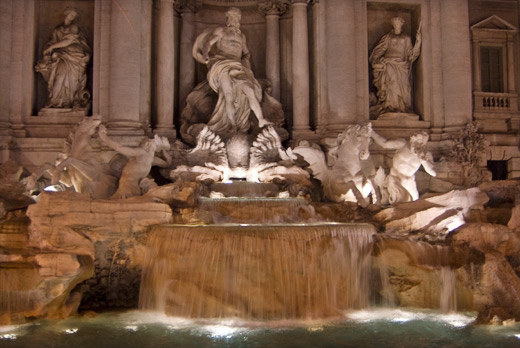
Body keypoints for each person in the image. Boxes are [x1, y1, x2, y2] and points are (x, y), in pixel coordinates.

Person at [192, 7, 272, 135]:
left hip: (238, 66)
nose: (234, 20)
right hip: (222, 64)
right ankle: (233, 125)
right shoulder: (221, 31)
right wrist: (206, 54)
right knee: (228, 95)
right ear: (227, 18)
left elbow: (246, 53)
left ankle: (261, 119)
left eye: (237, 17)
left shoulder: (241, 36)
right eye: (232, 17)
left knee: (249, 90)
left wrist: (246, 61)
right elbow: (208, 43)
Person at [35, 7, 91, 109]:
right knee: (59, 77)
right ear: (66, 14)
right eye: (71, 15)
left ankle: (68, 102)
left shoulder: (74, 27)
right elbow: (52, 42)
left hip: (75, 57)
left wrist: (52, 47)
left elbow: (68, 41)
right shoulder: (57, 29)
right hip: (62, 56)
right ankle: (56, 101)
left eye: (74, 16)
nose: (72, 17)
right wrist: (48, 50)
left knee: (72, 81)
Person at [98, 126, 171, 199]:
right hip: (127, 186)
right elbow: (119, 148)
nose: (154, 147)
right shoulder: (141, 152)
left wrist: (164, 152)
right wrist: (103, 136)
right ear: (148, 144)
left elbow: (167, 164)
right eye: (155, 144)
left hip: (138, 187)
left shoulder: (151, 159)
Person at [369, 17, 421, 116]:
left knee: (404, 87)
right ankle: (390, 106)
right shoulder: (388, 37)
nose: (397, 25)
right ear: (393, 25)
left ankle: (403, 107)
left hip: (402, 65)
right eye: (395, 23)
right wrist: (375, 59)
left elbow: (411, 54)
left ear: (402, 25)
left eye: (399, 23)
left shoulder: (406, 38)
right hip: (389, 63)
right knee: (391, 84)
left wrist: (418, 42)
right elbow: (380, 49)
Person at [371, 130, 436, 203]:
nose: (418, 144)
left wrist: (424, 161)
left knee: (414, 203)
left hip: (408, 181)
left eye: (421, 143)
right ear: (412, 139)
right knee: (401, 201)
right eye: (417, 141)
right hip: (395, 178)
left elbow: (433, 173)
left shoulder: (425, 154)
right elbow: (384, 143)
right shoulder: (402, 144)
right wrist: (371, 132)